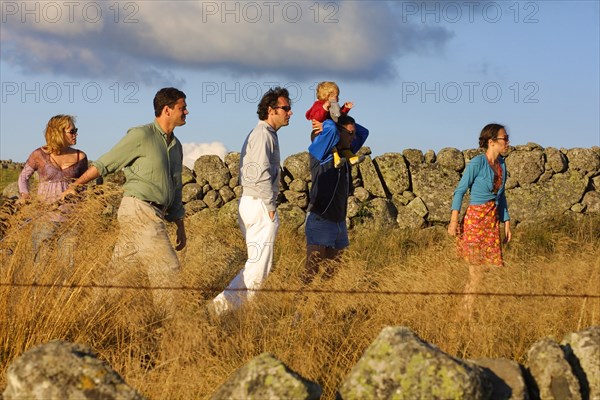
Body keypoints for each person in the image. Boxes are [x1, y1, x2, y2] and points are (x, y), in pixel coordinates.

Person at [63, 87, 188, 316]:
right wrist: (75, 185)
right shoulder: (141, 136)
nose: (187, 112)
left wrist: (179, 224)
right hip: (140, 209)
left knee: (117, 274)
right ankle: (170, 327)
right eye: (182, 107)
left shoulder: (176, 146)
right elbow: (106, 163)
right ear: (167, 109)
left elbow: (176, 186)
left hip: (154, 212)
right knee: (167, 268)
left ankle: (89, 316)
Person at [211, 87, 292, 315]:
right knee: (258, 268)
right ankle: (220, 312)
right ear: (270, 110)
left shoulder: (264, 134)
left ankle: (225, 311)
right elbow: (258, 172)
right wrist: (269, 205)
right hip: (259, 203)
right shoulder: (263, 134)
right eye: (285, 108)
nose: (290, 113)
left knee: (256, 265)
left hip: (253, 201)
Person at [447, 123, 512, 317]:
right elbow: (460, 191)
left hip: (492, 220)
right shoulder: (477, 163)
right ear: (491, 142)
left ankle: (468, 310)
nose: (508, 141)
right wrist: (453, 221)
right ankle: (463, 314)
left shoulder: (502, 165)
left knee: (486, 271)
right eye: (504, 138)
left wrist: (507, 223)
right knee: (477, 272)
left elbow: (501, 196)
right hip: (475, 220)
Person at [303, 115, 369, 284]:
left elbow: (363, 132)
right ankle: (297, 308)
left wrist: (338, 115)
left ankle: (320, 309)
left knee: (331, 273)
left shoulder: (346, 154)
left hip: (339, 221)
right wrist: (327, 119)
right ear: (338, 134)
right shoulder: (322, 153)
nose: (354, 138)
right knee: (312, 271)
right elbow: (332, 129)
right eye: (350, 133)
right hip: (321, 219)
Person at [18, 114, 88, 266]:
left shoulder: (81, 157)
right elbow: (23, 177)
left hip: (72, 221)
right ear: (58, 132)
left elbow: (83, 187)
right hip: (44, 218)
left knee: (67, 266)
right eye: (72, 131)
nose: (76, 133)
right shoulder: (38, 155)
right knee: (40, 266)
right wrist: (25, 194)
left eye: (76, 130)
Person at [305, 81, 364, 168]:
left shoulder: (334, 106)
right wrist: (324, 108)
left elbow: (338, 117)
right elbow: (317, 117)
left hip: (333, 132)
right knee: (331, 128)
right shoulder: (318, 105)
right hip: (320, 134)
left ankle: (349, 156)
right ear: (327, 96)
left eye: (337, 96)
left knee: (353, 134)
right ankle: (336, 158)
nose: (337, 98)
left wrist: (345, 109)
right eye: (335, 96)